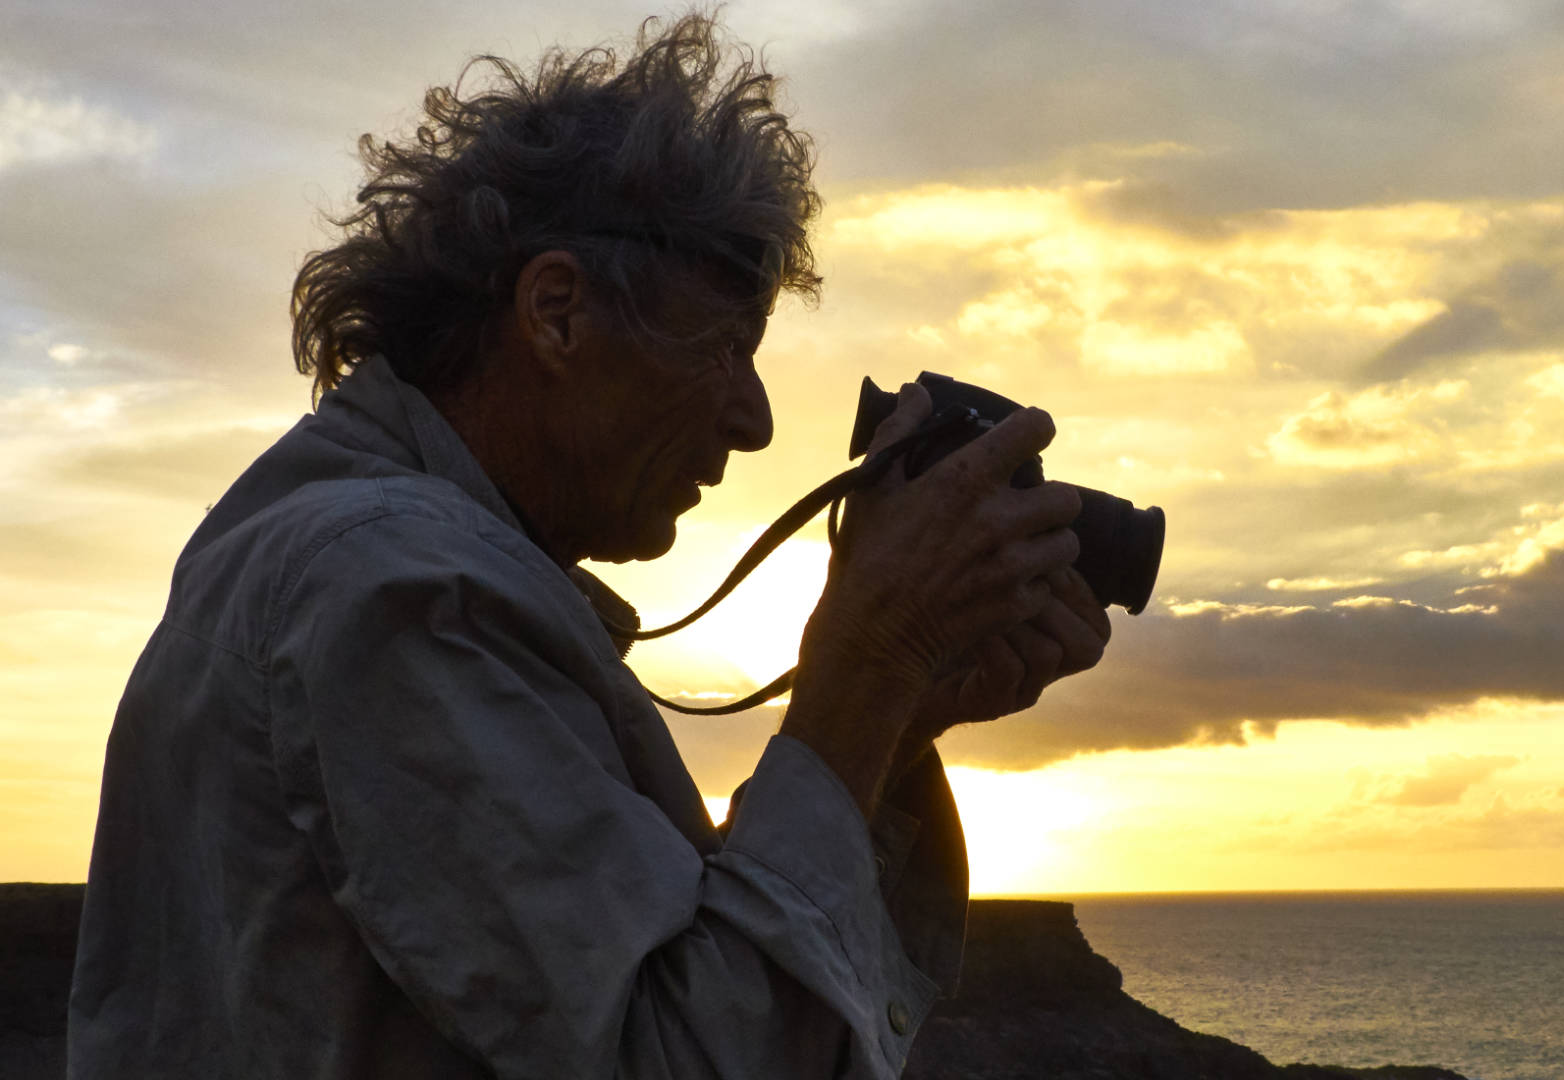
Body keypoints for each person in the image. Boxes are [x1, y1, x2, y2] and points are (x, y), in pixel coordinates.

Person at [66, 15, 1110, 1080]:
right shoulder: (395, 589)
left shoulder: (351, 552)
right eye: (725, 352)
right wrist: (871, 662)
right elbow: (693, 1057)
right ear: (556, 312)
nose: (754, 422)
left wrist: (894, 722)